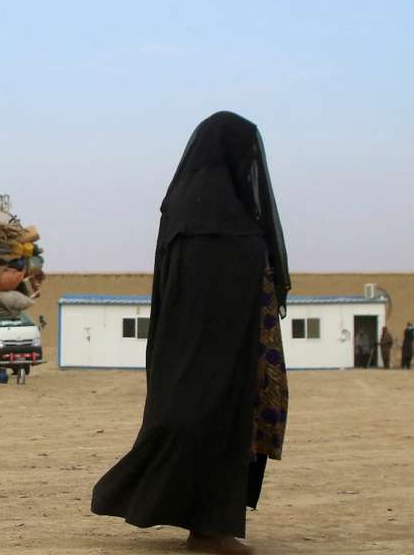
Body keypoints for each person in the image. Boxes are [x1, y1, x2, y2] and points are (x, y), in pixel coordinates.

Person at [91, 112, 290, 555]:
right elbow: (208, 296)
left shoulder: (191, 211)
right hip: (215, 355)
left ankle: (209, 525)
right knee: (210, 426)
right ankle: (208, 530)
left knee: (221, 430)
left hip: (215, 353)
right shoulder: (212, 222)